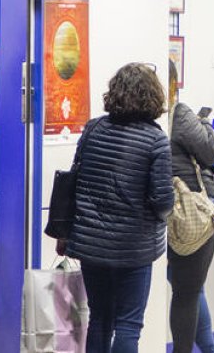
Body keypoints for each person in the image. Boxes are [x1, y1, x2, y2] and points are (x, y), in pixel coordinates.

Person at [61, 63, 173, 353]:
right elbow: (162, 201)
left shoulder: (94, 128)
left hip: (91, 243)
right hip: (133, 247)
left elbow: (77, 179)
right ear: (153, 96)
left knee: (99, 318)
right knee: (128, 324)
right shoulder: (156, 140)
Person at [167, 60, 214, 353]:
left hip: (156, 210)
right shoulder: (181, 114)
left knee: (187, 288)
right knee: (189, 291)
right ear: (174, 84)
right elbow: (211, 151)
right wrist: (205, 124)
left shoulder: (136, 118)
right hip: (191, 212)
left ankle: (209, 348)